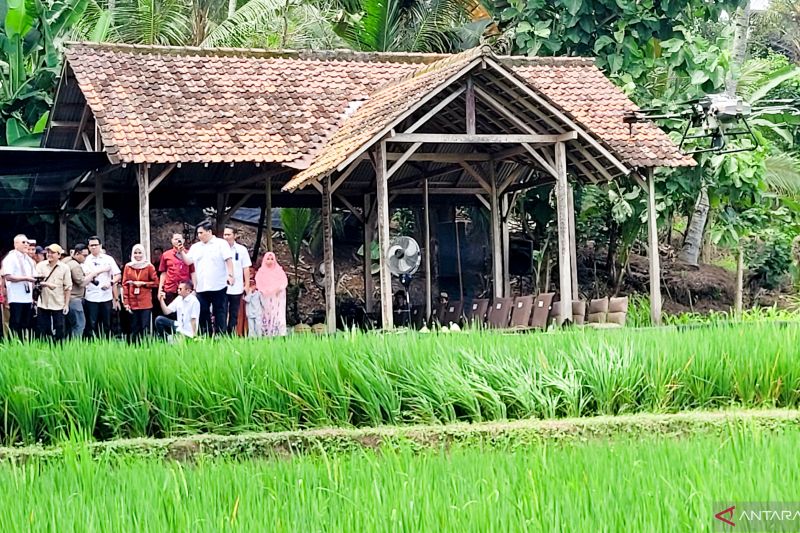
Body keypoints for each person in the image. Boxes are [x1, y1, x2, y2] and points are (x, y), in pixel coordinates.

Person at [175, 222, 234, 335]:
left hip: (218, 285)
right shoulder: (196, 247)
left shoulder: (221, 244)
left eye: (201, 233)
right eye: (198, 233)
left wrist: (230, 275)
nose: (199, 236)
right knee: (203, 312)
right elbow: (188, 261)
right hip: (202, 286)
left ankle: (220, 336)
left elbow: (228, 260)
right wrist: (181, 251)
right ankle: (206, 336)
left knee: (220, 312)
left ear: (209, 232)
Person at [84, 235, 121, 338]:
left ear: (100, 246)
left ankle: (107, 342)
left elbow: (118, 274)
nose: (94, 247)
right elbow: (86, 275)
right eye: (91, 245)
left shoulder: (108, 259)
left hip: (106, 296)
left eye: (96, 245)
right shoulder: (86, 260)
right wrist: (102, 270)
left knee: (107, 323)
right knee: (92, 323)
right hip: (91, 296)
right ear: (88, 247)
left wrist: (111, 283)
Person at [34, 244, 72, 342]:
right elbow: (36, 281)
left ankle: (59, 350)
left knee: (59, 328)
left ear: (59, 255)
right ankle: (44, 348)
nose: (49, 254)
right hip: (43, 303)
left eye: (52, 253)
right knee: (43, 329)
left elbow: (68, 287)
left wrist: (66, 304)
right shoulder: (40, 265)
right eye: (48, 252)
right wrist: (46, 284)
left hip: (58, 303)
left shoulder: (65, 268)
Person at [2, 234, 37, 338]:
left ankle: (22, 344)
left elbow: (34, 276)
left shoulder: (30, 260)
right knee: (15, 322)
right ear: (16, 244)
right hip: (16, 296)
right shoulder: (10, 258)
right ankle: (12, 344)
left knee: (25, 323)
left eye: (27, 242)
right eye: (23, 242)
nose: (26, 244)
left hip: (27, 297)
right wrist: (26, 278)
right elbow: (8, 276)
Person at [122, 244, 158, 342]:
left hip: (145, 302)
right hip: (132, 301)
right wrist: (126, 302)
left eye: (140, 253)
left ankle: (146, 348)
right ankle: (134, 348)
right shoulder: (128, 266)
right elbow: (124, 284)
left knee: (145, 326)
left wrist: (143, 284)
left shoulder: (149, 266)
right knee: (134, 327)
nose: (138, 255)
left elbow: (156, 283)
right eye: (135, 253)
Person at [63, 244, 99, 339]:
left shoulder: (66, 261)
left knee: (69, 325)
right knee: (79, 324)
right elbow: (81, 282)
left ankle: (67, 345)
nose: (85, 258)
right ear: (77, 253)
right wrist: (92, 275)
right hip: (74, 299)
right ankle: (75, 345)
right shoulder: (75, 265)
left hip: (67, 299)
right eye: (84, 255)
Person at [222, 227, 252, 334]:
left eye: (228, 235)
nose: (226, 237)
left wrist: (247, 285)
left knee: (234, 313)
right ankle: (222, 334)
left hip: (237, 287)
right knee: (222, 312)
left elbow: (246, 268)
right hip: (221, 287)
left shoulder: (241, 249)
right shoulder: (219, 249)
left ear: (235, 236)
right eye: (225, 235)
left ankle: (231, 334)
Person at [255, 252, 288, 337]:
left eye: (272, 259)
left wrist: (278, 289)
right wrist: (265, 291)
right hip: (266, 298)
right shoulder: (261, 272)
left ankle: (281, 334)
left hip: (277, 298)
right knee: (266, 315)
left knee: (279, 315)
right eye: (268, 259)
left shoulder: (279, 271)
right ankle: (267, 334)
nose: (270, 261)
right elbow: (258, 283)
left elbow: (284, 282)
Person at [158, 233, 194, 306]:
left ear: (183, 241)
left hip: (185, 289)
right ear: (172, 241)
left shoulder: (189, 254)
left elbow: (193, 272)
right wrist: (160, 289)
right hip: (170, 288)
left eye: (179, 239)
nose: (178, 241)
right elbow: (163, 273)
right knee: (170, 312)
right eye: (175, 239)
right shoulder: (166, 255)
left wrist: (194, 289)